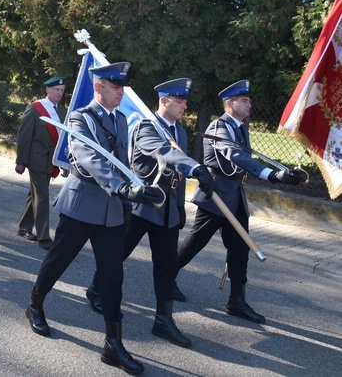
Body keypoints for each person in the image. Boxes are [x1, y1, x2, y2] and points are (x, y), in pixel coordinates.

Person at [25, 62, 162, 376]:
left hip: (112, 210)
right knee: (58, 261)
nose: (121, 92)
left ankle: (113, 344)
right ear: (99, 87)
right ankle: (35, 304)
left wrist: (140, 187)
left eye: (122, 87)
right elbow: (90, 159)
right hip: (82, 204)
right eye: (116, 87)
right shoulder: (80, 118)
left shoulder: (123, 120)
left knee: (113, 276)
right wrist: (122, 187)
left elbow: (123, 162)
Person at [84, 78, 217, 348]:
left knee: (166, 264)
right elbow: (165, 153)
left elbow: (176, 174)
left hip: (167, 208)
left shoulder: (179, 131)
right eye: (179, 101)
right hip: (142, 205)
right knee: (119, 251)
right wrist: (197, 168)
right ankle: (96, 288)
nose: (184, 106)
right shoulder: (147, 127)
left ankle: (163, 320)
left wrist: (179, 206)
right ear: (164, 101)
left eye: (185, 102)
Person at [174, 80, 304, 324]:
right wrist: (271, 175)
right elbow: (233, 155)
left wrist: (281, 173)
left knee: (239, 248)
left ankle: (236, 301)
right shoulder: (219, 126)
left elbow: (244, 159)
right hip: (216, 196)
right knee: (196, 242)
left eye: (249, 100)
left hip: (234, 195)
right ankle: (166, 276)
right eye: (244, 101)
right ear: (229, 104)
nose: (249, 104)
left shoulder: (241, 128)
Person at [15, 76, 69, 250]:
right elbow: (24, 136)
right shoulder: (35, 108)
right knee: (43, 196)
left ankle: (24, 228)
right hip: (36, 160)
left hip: (51, 161)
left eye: (62, 90)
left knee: (35, 194)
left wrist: (64, 163)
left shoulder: (62, 111)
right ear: (48, 90)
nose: (59, 93)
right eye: (56, 90)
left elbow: (63, 139)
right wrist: (20, 162)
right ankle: (43, 237)